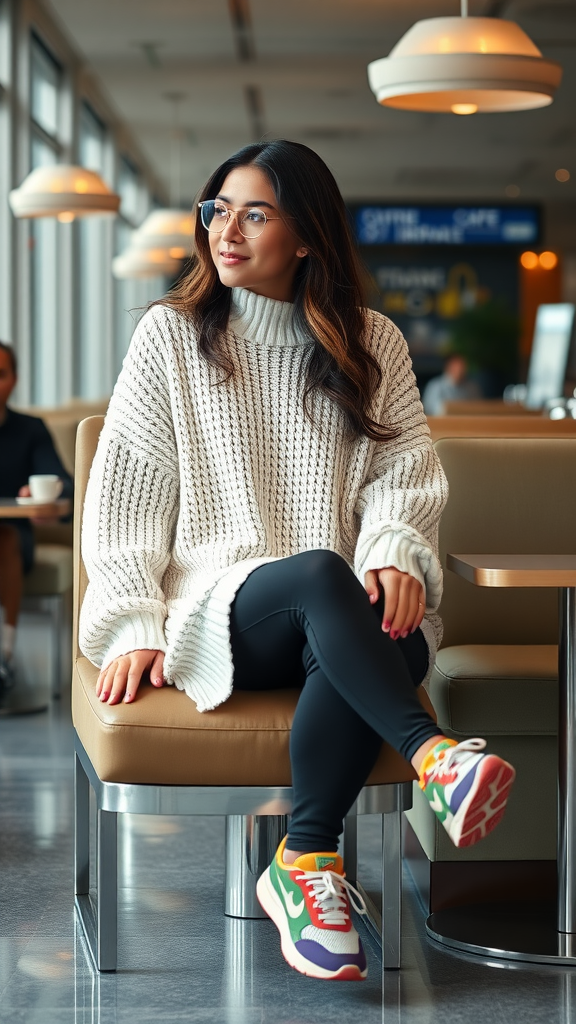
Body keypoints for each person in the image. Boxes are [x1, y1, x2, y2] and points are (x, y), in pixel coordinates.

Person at [80, 141, 515, 982]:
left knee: (366, 618)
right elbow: (124, 501)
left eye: (254, 213)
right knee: (321, 574)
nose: (225, 231)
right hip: (230, 607)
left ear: (308, 235)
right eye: (217, 210)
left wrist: (392, 550)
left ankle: (306, 860)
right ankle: (434, 756)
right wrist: (133, 618)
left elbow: (406, 475)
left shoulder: (372, 341)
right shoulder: (170, 338)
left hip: (351, 612)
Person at [0, 342, 73, 694]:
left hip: (14, 538)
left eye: (0, 374)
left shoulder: (31, 430)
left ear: (14, 380)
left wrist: (44, 495)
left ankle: (5, 654)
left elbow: (65, 483)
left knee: (4, 540)